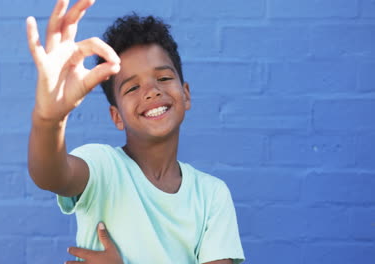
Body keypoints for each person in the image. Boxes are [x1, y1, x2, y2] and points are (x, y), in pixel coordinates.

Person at [26, 0, 245, 263]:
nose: (152, 91)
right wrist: (49, 119)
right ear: (116, 116)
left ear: (185, 95)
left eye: (163, 78)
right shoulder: (102, 167)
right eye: (132, 88)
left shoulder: (211, 195)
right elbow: (49, 175)